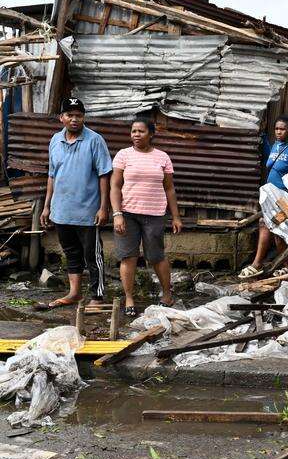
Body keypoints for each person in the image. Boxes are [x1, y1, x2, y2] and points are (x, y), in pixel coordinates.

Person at [39, 97, 113, 309]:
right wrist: (47, 206)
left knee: (93, 255)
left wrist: (103, 207)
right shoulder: (55, 140)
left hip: (88, 211)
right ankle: (74, 293)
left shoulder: (94, 140)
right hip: (62, 210)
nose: (74, 119)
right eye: (69, 115)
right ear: (61, 117)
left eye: (78, 115)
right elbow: (52, 175)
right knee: (71, 252)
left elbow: (104, 175)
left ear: (83, 117)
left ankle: (97, 297)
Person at [110, 117, 183, 316]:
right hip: (127, 214)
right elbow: (115, 186)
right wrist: (117, 214)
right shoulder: (123, 155)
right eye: (133, 131)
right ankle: (129, 298)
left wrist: (175, 216)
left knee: (156, 256)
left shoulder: (162, 157)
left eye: (141, 131)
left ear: (151, 134)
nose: (136, 135)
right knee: (128, 256)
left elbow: (169, 189)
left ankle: (167, 294)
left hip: (155, 214)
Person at [238, 116, 288, 279]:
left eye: (282, 129)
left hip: (284, 197)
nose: (278, 132)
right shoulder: (276, 145)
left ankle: (258, 264)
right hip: (271, 196)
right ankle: (285, 266)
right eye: (276, 129)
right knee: (274, 229)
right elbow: (271, 161)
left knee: (271, 226)